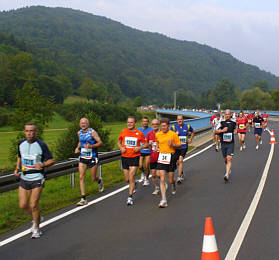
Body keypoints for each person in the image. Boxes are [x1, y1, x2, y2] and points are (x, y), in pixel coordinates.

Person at [14, 122, 55, 239]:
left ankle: (36, 228)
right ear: (24, 132)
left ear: (35, 132)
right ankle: (36, 217)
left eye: (31, 131)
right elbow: (19, 156)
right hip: (24, 177)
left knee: (33, 204)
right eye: (27, 131)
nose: (29, 133)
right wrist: (17, 167)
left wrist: (42, 164)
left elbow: (52, 160)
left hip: (37, 177)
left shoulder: (41, 145)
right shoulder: (21, 143)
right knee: (22, 205)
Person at [118, 116, 148, 206]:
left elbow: (146, 144)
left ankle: (130, 197)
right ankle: (134, 183)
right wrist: (121, 147)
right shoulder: (123, 132)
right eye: (128, 122)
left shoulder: (139, 133)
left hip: (135, 157)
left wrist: (140, 147)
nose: (129, 124)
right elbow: (119, 142)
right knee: (127, 179)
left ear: (135, 123)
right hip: (125, 157)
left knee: (131, 176)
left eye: (131, 122)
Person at [75, 118, 104, 206]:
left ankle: (99, 180)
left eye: (84, 123)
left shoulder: (92, 132)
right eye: (81, 123)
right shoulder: (79, 133)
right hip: (83, 157)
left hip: (92, 157)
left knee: (93, 178)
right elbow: (80, 142)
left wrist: (91, 146)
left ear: (88, 124)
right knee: (81, 176)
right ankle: (83, 198)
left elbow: (100, 143)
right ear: (79, 124)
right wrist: (77, 148)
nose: (83, 124)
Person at [155, 118, 181, 207]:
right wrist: (156, 147)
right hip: (162, 157)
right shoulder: (158, 134)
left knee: (170, 180)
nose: (163, 127)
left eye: (165, 126)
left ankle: (173, 184)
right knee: (161, 177)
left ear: (168, 126)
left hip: (171, 157)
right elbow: (157, 142)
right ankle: (163, 200)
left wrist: (173, 145)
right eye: (161, 126)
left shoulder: (173, 134)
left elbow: (179, 144)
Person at [170, 114, 194, 183]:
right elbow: (169, 137)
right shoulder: (173, 127)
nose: (179, 120)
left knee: (180, 160)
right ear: (177, 120)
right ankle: (182, 173)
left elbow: (193, 132)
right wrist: (175, 135)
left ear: (183, 120)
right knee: (178, 162)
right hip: (176, 147)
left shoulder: (187, 126)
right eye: (178, 119)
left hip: (184, 147)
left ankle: (179, 177)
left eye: (181, 119)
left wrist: (190, 139)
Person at [214, 109, 237, 182]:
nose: (227, 115)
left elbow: (235, 129)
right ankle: (228, 167)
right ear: (224, 115)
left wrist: (235, 131)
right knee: (225, 159)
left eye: (228, 114)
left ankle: (226, 174)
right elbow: (215, 131)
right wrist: (222, 131)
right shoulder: (221, 123)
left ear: (230, 115)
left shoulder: (233, 123)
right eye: (226, 114)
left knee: (229, 158)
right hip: (223, 144)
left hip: (231, 143)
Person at [146, 119, 160, 195]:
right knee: (153, 174)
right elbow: (147, 146)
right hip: (152, 157)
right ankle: (157, 187)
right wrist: (149, 143)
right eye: (153, 124)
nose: (155, 125)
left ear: (159, 125)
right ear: (151, 125)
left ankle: (163, 183)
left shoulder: (161, 133)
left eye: (156, 124)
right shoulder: (149, 134)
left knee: (159, 174)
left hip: (160, 156)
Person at [137, 117, 153, 186]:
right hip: (141, 151)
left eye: (146, 121)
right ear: (141, 122)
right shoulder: (138, 130)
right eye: (144, 121)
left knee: (146, 166)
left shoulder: (151, 130)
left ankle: (146, 179)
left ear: (148, 122)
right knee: (140, 166)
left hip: (148, 151)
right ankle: (143, 173)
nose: (145, 123)